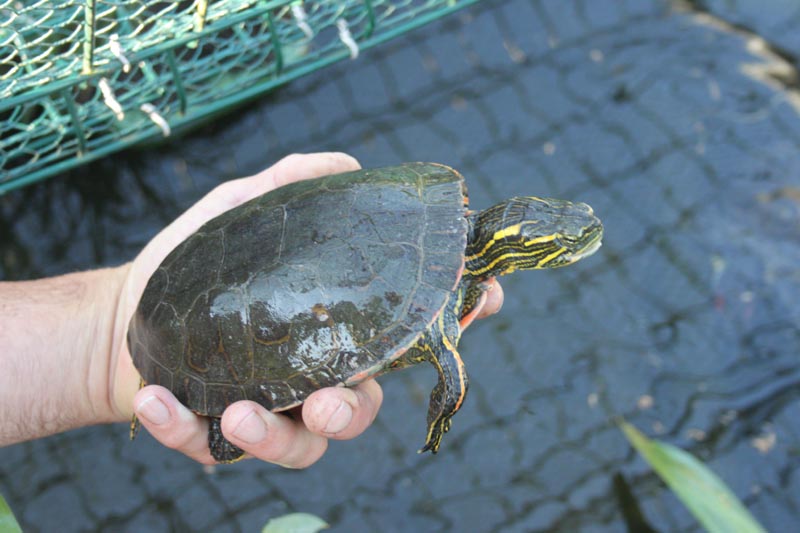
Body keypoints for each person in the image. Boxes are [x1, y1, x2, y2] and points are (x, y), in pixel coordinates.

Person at [0, 152, 503, 467]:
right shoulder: (442, 272)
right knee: (231, 436)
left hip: (157, 302)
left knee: (253, 426)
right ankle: (212, 420)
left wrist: (109, 325)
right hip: (192, 318)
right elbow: (449, 380)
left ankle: (206, 411)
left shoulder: (427, 198)